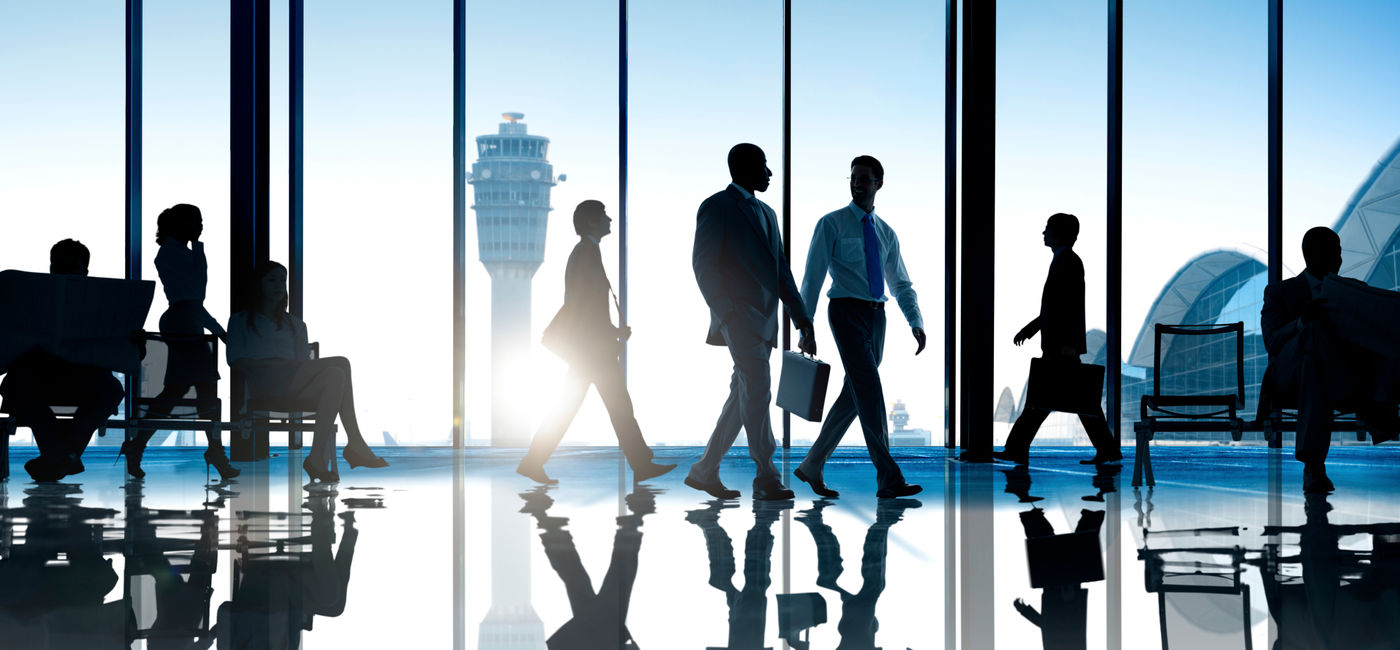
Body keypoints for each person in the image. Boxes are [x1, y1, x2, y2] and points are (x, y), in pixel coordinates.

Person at [688, 143, 816, 501]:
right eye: (763, 166)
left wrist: (802, 318)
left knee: (743, 395)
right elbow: (703, 263)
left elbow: (781, 271)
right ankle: (766, 476)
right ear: (745, 168)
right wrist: (725, 312)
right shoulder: (717, 206)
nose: (769, 173)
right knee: (758, 386)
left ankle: (704, 470)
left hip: (766, 320)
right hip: (738, 317)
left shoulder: (768, 213)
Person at [792, 155, 924, 499]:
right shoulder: (831, 223)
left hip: (878, 316)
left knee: (855, 393)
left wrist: (915, 320)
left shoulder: (886, 233)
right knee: (869, 388)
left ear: (879, 183)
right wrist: (805, 325)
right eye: (853, 177)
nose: (857, 183)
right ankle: (889, 478)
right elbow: (812, 277)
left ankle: (811, 465)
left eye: (864, 178)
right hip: (845, 312)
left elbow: (901, 283)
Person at [518, 201, 675, 485]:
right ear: (592, 222)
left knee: (587, 406)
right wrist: (612, 336)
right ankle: (641, 463)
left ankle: (534, 461)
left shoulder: (586, 251)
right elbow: (585, 306)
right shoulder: (587, 252)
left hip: (588, 348)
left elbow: (584, 305)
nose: (610, 219)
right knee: (614, 406)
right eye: (604, 215)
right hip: (592, 350)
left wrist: (612, 332)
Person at [1260, 226, 1400, 493]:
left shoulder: (1354, 291)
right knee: (1314, 330)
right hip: (1288, 372)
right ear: (1310, 254)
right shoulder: (1279, 292)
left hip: (1318, 372)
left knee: (1314, 368)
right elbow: (1273, 342)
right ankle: (1371, 407)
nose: (1339, 259)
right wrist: (1301, 322)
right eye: (1332, 251)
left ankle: (1314, 468)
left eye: (1339, 252)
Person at [226, 261, 388, 485]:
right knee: (341, 363)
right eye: (272, 280)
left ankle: (316, 458)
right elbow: (235, 360)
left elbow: (301, 365)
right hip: (264, 387)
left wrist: (285, 367)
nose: (279, 285)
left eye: (282, 280)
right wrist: (273, 365)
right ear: (258, 285)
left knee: (336, 375)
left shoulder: (295, 325)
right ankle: (355, 443)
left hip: (293, 386)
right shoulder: (240, 321)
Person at [993, 213, 1120, 466]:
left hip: (1061, 345)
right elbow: (1056, 308)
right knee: (1072, 401)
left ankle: (1017, 449)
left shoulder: (1068, 262)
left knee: (1044, 400)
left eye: (1048, 228)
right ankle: (1108, 450)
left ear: (1061, 234)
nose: (1043, 233)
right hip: (1062, 344)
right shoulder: (1065, 260)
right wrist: (1032, 329)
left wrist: (1065, 345)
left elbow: (1065, 308)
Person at [123, 204, 238, 480]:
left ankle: (139, 444)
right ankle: (214, 451)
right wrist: (221, 331)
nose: (201, 225)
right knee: (196, 390)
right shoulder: (171, 254)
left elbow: (196, 297)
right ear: (179, 224)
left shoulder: (181, 252)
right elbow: (193, 297)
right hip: (184, 321)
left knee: (184, 391)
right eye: (196, 221)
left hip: (187, 321)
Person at [1, 240, 128, 482]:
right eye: (57, 266)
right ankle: (65, 455)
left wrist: (133, 342)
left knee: (111, 389)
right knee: (16, 383)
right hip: (44, 376)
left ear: (85, 272)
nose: (62, 272)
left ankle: (58, 455)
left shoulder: (99, 305)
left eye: (70, 266)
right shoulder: (35, 300)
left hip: (81, 378)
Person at [519, 484, 656, 649]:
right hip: (596, 641)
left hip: (600, 641)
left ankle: (634, 520)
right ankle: (545, 520)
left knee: (612, 583)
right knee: (583, 583)